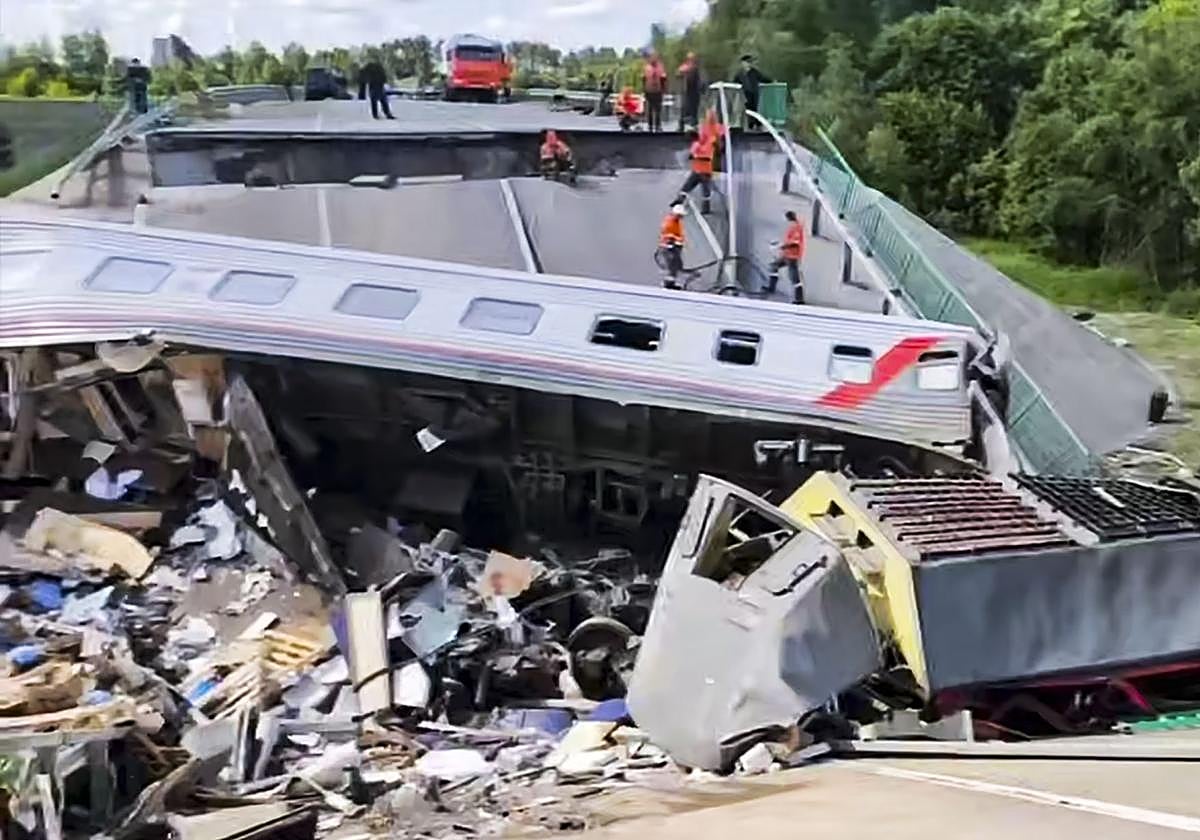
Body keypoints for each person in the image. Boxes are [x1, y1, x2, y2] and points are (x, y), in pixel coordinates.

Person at [768, 210, 806, 303]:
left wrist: (783, 246)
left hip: (792, 256)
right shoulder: (793, 227)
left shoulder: (796, 227)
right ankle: (771, 287)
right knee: (774, 266)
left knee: (794, 277)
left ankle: (799, 299)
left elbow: (795, 243)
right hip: (787, 255)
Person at [680, 129, 714, 214]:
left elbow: (694, 155)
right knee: (703, 191)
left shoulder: (699, 144)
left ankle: (679, 204)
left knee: (689, 189)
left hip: (701, 171)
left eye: (688, 138)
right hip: (702, 170)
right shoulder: (702, 144)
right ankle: (706, 209)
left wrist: (695, 156)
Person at [733, 54, 771, 129]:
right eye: (746, 62)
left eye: (749, 62)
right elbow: (735, 83)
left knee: (755, 109)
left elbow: (763, 78)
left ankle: (756, 124)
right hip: (744, 95)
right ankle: (750, 125)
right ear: (742, 63)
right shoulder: (740, 74)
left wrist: (772, 81)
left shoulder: (754, 72)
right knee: (746, 110)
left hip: (754, 93)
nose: (748, 64)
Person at [657, 201, 687, 289]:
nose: (681, 217)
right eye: (680, 215)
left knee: (676, 265)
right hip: (670, 247)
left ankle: (671, 282)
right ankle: (669, 284)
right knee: (672, 266)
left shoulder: (675, 221)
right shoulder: (670, 223)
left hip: (673, 246)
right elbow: (669, 236)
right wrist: (676, 241)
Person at [642, 50, 667, 133]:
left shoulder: (660, 67)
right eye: (651, 57)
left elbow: (663, 78)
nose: (653, 59)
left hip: (658, 90)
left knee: (658, 109)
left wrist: (663, 89)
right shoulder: (647, 67)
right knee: (649, 109)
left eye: (654, 57)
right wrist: (644, 90)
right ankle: (650, 126)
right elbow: (644, 78)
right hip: (649, 90)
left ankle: (658, 126)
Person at [676, 52, 701, 131]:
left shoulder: (696, 68)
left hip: (695, 92)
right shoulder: (684, 67)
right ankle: (681, 126)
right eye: (690, 58)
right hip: (686, 91)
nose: (692, 60)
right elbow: (678, 73)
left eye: (693, 58)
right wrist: (683, 72)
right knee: (684, 108)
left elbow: (699, 80)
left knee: (694, 109)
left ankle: (694, 125)